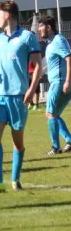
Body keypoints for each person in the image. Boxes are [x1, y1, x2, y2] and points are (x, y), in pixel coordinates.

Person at [0, 1, 42, 193]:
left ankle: (15, 179)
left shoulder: (27, 37)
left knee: (17, 141)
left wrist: (31, 89)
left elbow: (38, 65)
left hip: (18, 96)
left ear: (8, 15)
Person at [38, 16, 71, 154]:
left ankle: (55, 147)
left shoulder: (58, 40)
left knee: (50, 114)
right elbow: (54, 62)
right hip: (59, 82)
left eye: (41, 26)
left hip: (59, 82)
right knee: (53, 114)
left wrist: (68, 81)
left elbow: (69, 58)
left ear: (49, 27)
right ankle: (69, 141)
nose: (39, 29)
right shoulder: (51, 43)